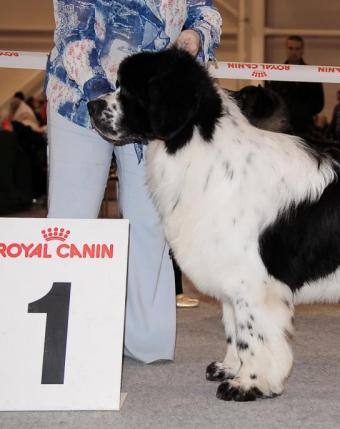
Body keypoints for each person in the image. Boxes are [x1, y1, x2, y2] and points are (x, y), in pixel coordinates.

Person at [45, 0, 222, 363]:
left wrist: (195, 36)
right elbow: (72, 32)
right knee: (69, 224)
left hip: (151, 109)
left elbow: (206, 10)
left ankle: (147, 342)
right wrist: (102, 96)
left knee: (149, 224)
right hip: (78, 102)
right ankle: (61, 342)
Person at [266, 35, 324, 137]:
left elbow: (319, 103)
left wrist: (302, 113)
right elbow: (271, 102)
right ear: (286, 50)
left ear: (302, 50)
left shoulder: (312, 73)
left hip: (305, 128)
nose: (294, 52)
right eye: (291, 48)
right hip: (281, 129)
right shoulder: (276, 74)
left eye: (297, 48)